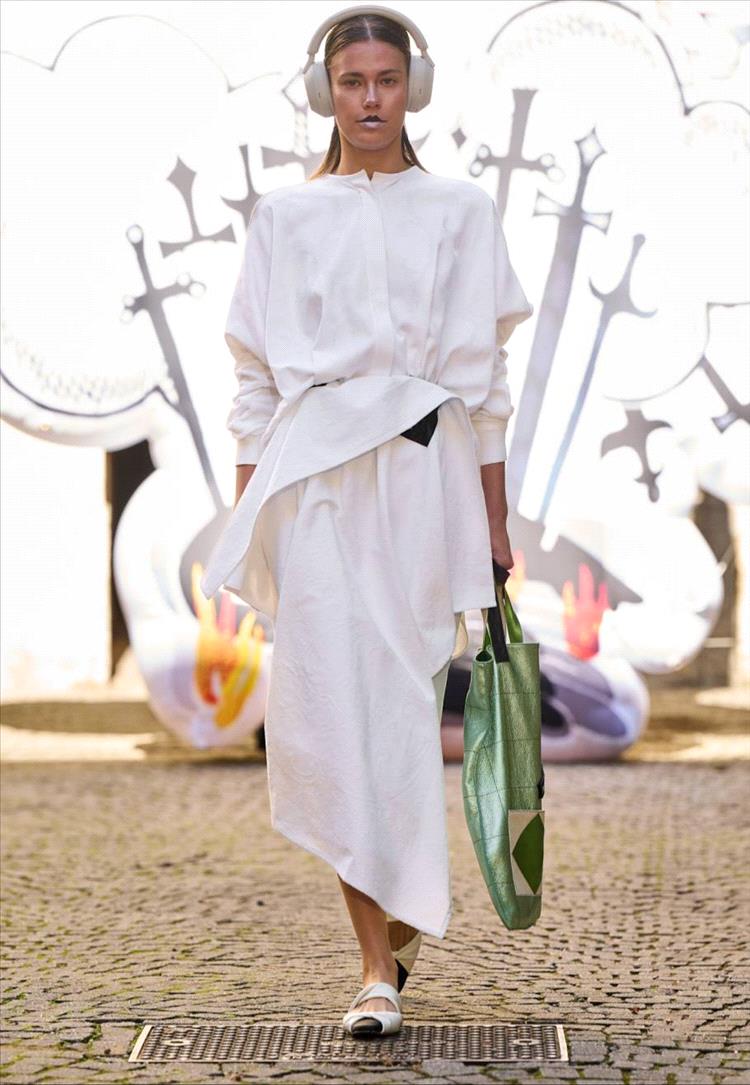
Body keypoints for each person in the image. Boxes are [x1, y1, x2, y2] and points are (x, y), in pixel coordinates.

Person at [200, 5, 533, 1037]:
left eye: (387, 79)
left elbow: (484, 386)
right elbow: (255, 383)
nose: (371, 98)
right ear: (326, 93)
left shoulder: (461, 211)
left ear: (412, 89)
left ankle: (401, 913)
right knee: (333, 714)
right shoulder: (285, 218)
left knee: (401, 709)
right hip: (317, 488)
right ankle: (375, 965)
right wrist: (251, 513)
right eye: (353, 81)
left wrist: (495, 522)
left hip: (422, 483)